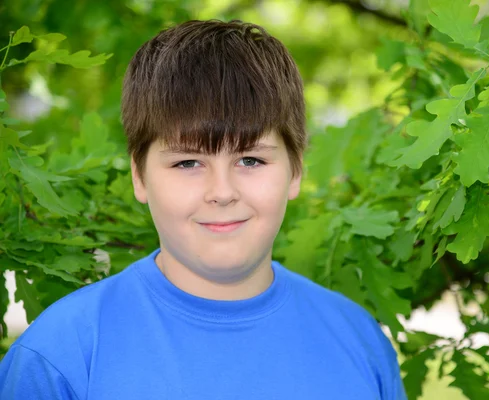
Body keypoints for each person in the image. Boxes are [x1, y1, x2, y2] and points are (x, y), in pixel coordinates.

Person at [0, 19, 407, 399]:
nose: (222, 192)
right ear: (139, 177)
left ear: (296, 170)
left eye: (250, 160)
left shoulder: (360, 341)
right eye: (187, 163)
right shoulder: (60, 357)